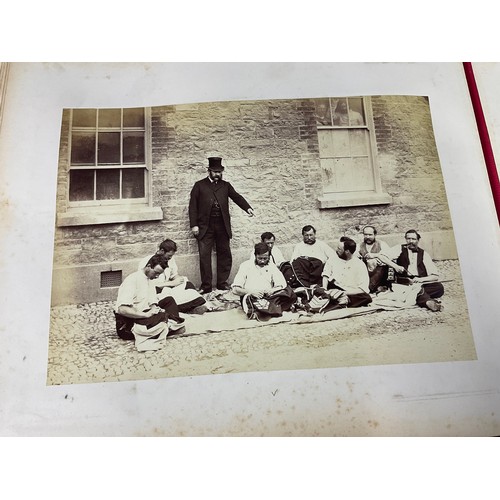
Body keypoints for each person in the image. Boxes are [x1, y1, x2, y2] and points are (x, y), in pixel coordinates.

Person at [189, 156, 255, 294]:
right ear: (209, 171)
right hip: (205, 226)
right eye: (215, 171)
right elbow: (192, 207)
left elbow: (236, 197)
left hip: (222, 225)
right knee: (204, 256)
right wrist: (194, 225)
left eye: (220, 171)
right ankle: (206, 286)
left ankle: (222, 283)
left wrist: (247, 208)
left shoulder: (226, 186)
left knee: (225, 254)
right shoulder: (199, 185)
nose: (218, 174)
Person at [114, 255, 186, 352]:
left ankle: (165, 325)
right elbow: (122, 309)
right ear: (148, 266)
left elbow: (152, 301)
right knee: (163, 317)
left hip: (145, 314)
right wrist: (146, 314)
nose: (157, 276)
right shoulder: (132, 280)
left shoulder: (150, 279)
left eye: (159, 274)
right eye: (156, 273)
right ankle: (167, 326)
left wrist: (155, 308)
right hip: (129, 323)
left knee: (169, 301)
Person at [369, 229, 445, 312]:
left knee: (439, 287)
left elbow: (435, 276)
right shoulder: (400, 248)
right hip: (403, 283)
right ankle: (426, 301)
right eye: (408, 239)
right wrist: (396, 266)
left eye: (413, 239)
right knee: (409, 290)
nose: (411, 241)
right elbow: (382, 256)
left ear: (418, 240)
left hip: (419, 283)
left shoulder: (424, 254)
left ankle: (417, 295)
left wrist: (419, 280)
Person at [138, 239, 207, 313]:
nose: (170, 258)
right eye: (169, 255)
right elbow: (145, 284)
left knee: (188, 284)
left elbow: (174, 275)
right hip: (156, 290)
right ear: (162, 251)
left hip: (168, 288)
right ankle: (188, 308)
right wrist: (171, 283)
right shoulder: (147, 261)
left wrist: (178, 280)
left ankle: (190, 305)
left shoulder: (170, 259)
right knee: (170, 299)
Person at [232, 242, 296, 318]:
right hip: (252, 297)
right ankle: (268, 310)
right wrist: (251, 292)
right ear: (255, 256)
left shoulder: (271, 266)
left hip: (269, 297)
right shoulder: (245, 266)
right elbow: (235, 289)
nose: (262, 261)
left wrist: (272, 290)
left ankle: (270, 310)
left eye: (265, 258)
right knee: (254, 302)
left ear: (269, 257)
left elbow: (282, 284)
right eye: (260, 258)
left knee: (290, 293)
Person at [321, 237, 372, 309]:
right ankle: (338, 301)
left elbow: (363, 289)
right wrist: (324, 289)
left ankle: (340, 301)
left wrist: (343, 293)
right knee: (321, 291)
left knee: (366, 298)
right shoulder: (332, 259)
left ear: (347, 251)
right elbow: (326, 275)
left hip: (350, 292)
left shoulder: (359, 264)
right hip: (334, 287)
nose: (336, 250)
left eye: (339, 249)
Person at [357, 225, 391, 293]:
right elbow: (355, 257)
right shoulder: (359, 245)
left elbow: (387, 257)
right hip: (365, 271)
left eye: (370, 235)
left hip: (379, 272)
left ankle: (371, 288)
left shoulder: (382, 244)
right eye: (365, 235)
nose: (368, 237)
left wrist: (375, 256)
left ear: (375, 234)